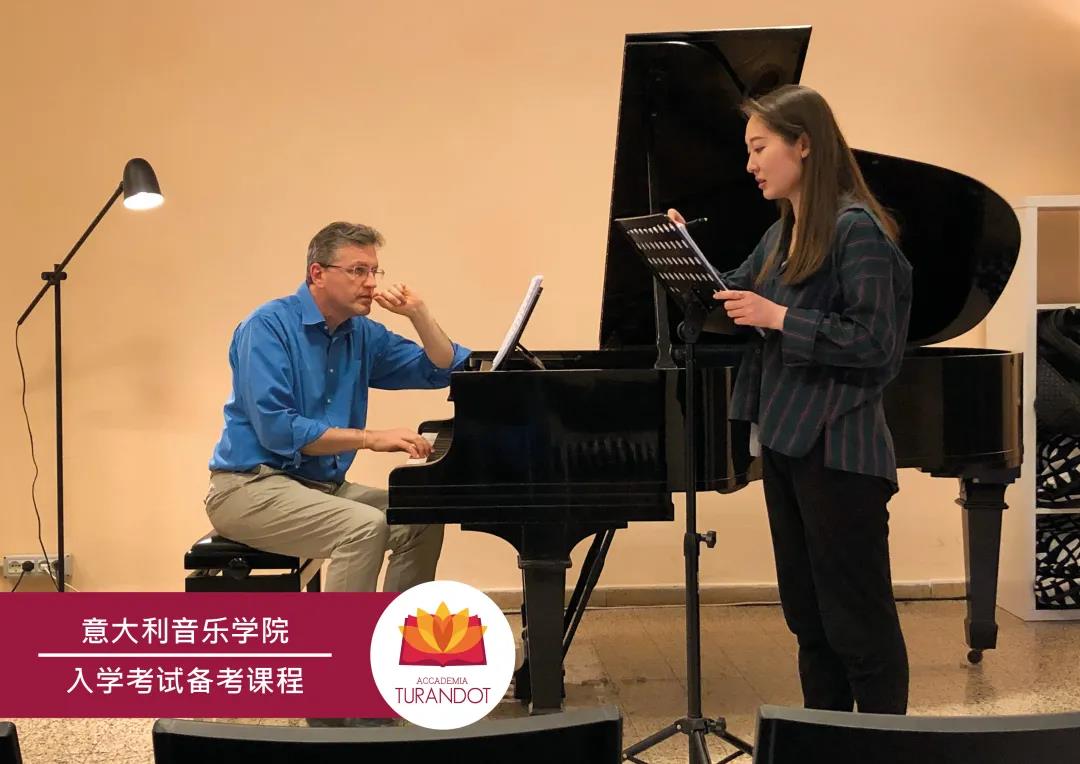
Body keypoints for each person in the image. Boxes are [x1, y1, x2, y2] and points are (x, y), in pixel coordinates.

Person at [670, 84, 913, 714]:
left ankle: (884, 747)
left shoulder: (857, 232)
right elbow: (729, 297)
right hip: (786, 440)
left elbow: (876, 344)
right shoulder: (783, 234)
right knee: (809, 619)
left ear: (803, 144)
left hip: (841, 450)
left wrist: (779, 317)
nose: (749, 163)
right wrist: (684, 257)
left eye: (759, 148)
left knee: (857, 621)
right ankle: (824, 738)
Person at [204, 221, 471, 595]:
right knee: (363, 527)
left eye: (374, 271)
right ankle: (342, 633)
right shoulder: (267, 327)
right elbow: (279, 430)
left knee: (421, 516)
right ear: (318, 274)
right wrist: (369, 438)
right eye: (358, 270)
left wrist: (419, 314)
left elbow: (442, 368)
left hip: (320, 487)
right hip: (248, 487)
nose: (371, 283)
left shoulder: (360, 333)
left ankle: (392, 627)